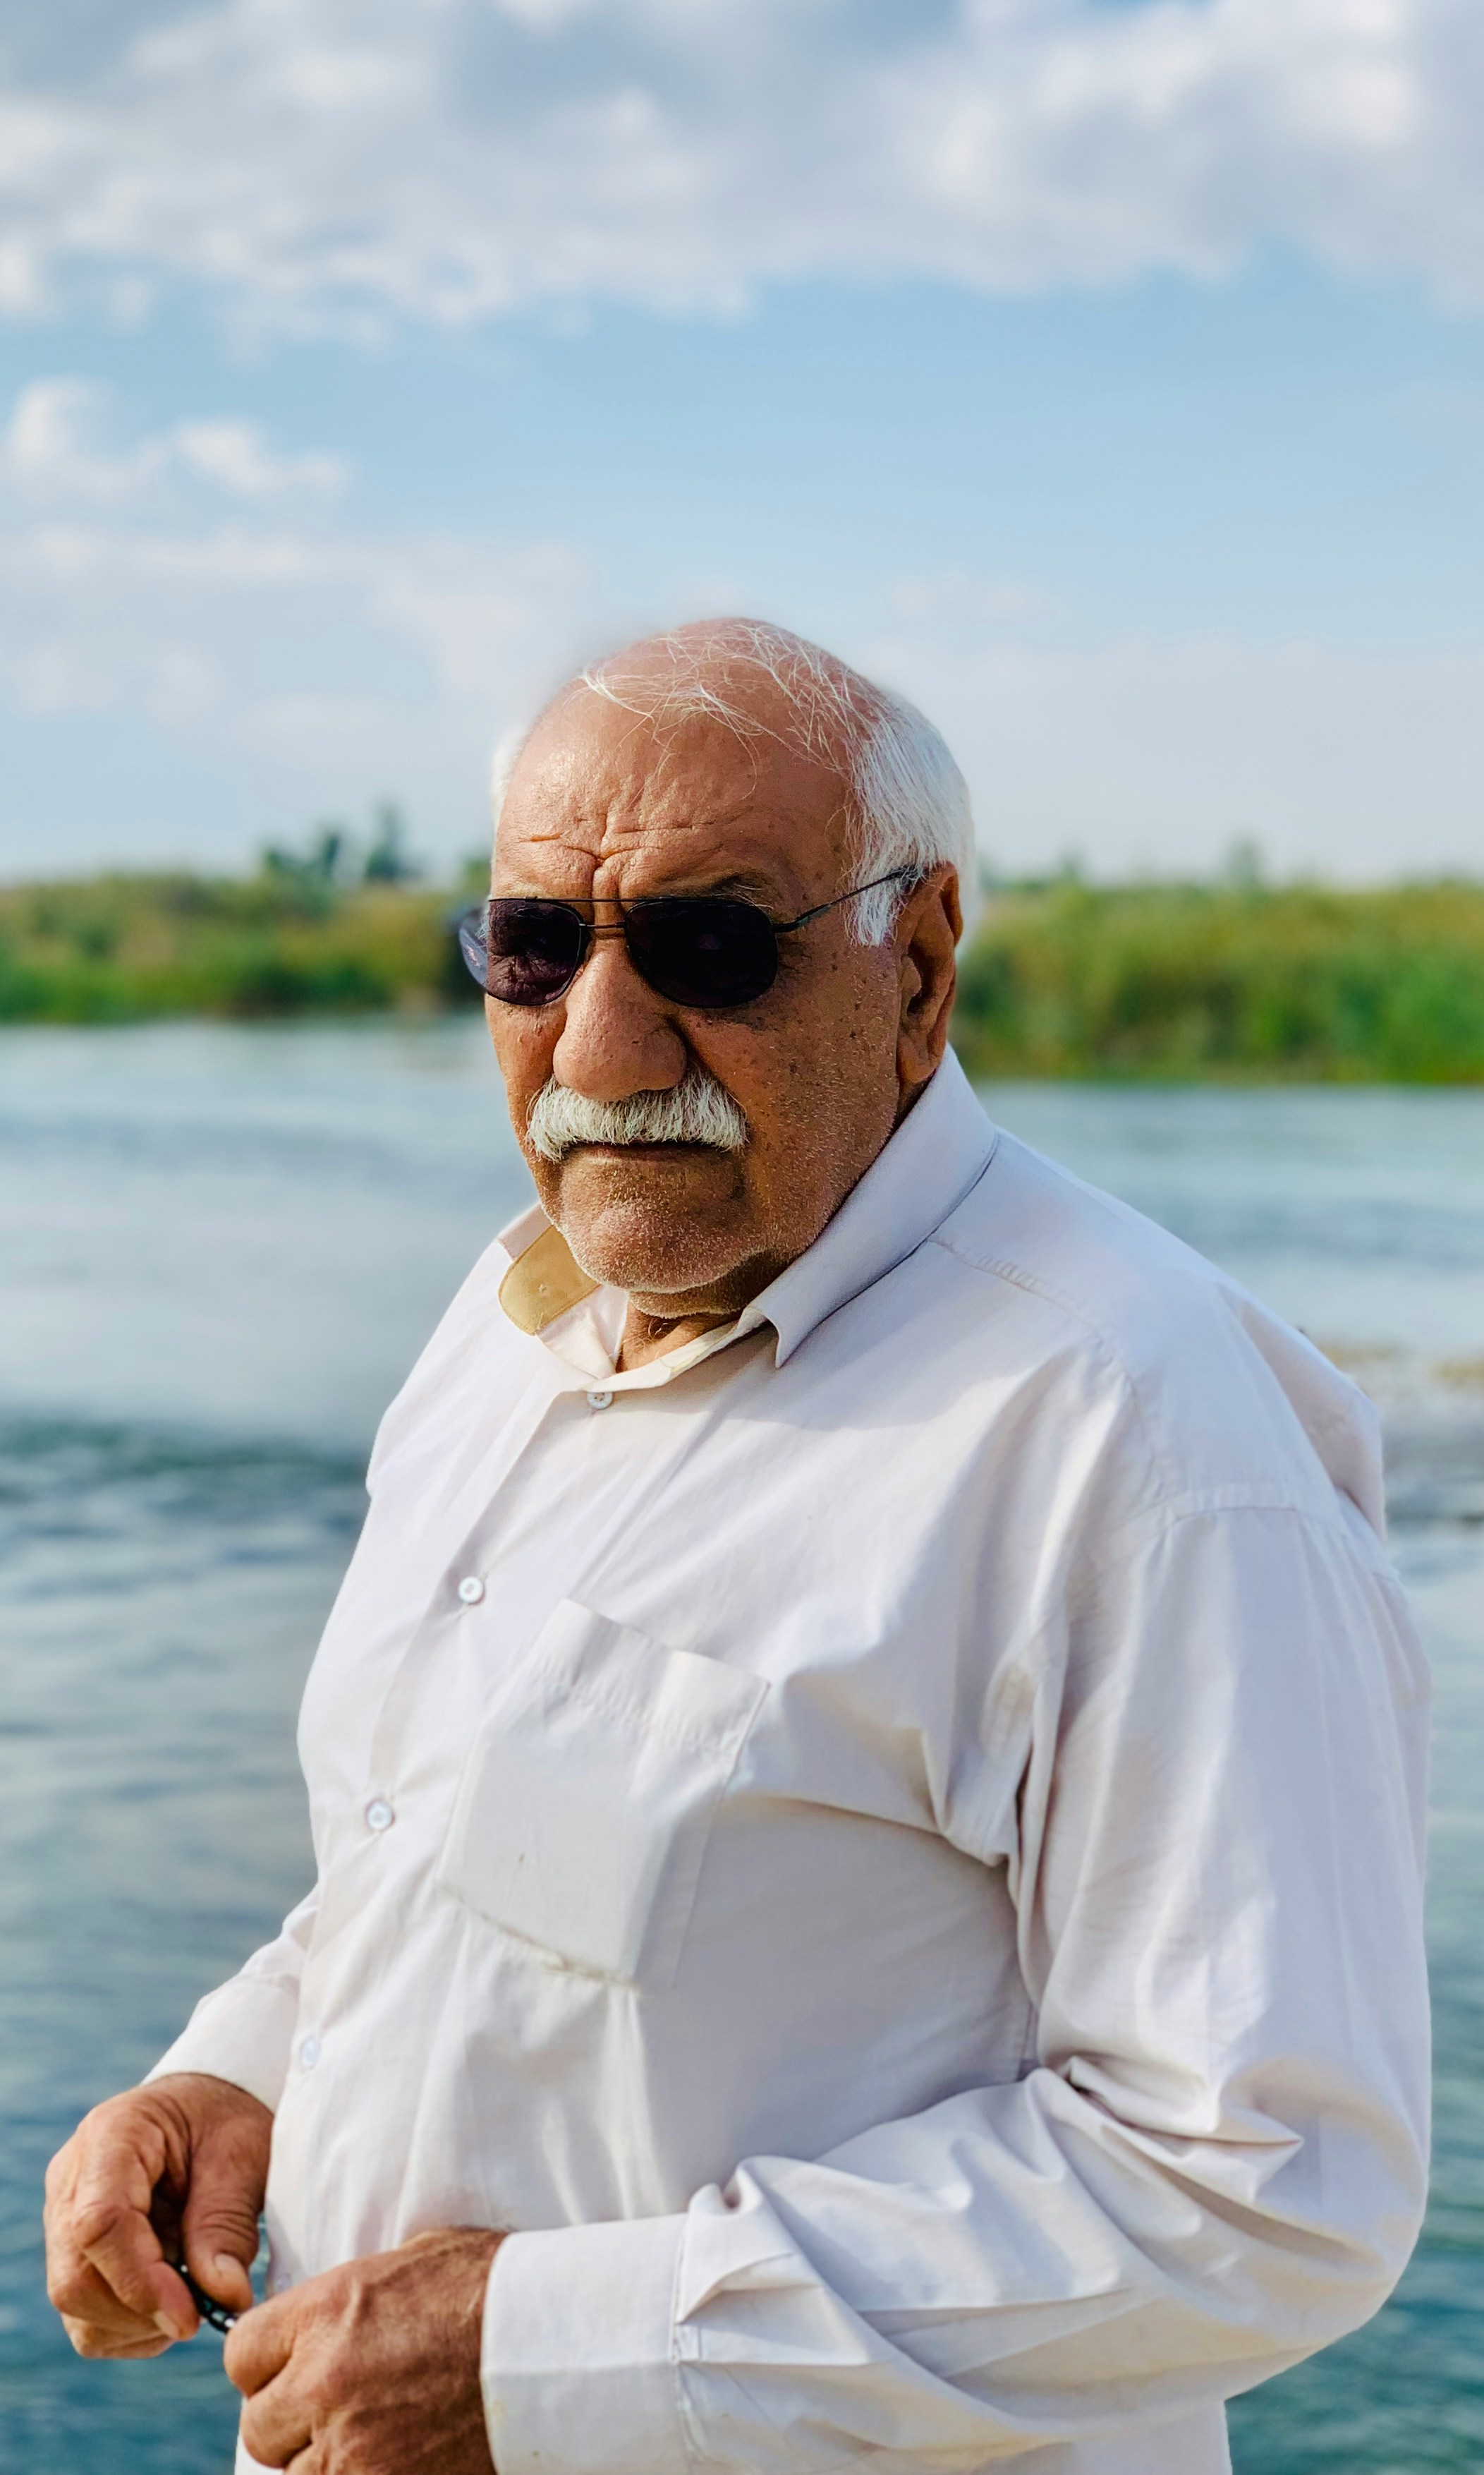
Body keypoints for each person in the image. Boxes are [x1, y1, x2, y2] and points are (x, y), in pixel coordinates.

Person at [44, 620, 1430, 2475]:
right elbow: (434, 1854)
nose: (601, 1043)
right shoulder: (508, 1319)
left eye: (709, 945)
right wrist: (240, 2075)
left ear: (918, 963)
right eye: (536, 944)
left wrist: (538, 2353)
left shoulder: (1144, 1430)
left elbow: (1269, 2185)